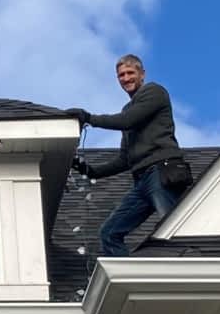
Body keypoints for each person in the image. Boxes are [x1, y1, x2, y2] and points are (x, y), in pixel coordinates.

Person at [66, 53, 191, 258]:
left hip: (161, 171)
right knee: (109, 233)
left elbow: (127, 121)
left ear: (142, 74)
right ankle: (135, 286)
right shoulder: (129, 109)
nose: (125, 78)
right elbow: (125, 160)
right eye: (121, 75)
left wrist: (89, 118)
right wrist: (88, 170)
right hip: (141, 180)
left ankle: (188, 280)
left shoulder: (154, 92)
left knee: (172, 231)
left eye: (130, 73)